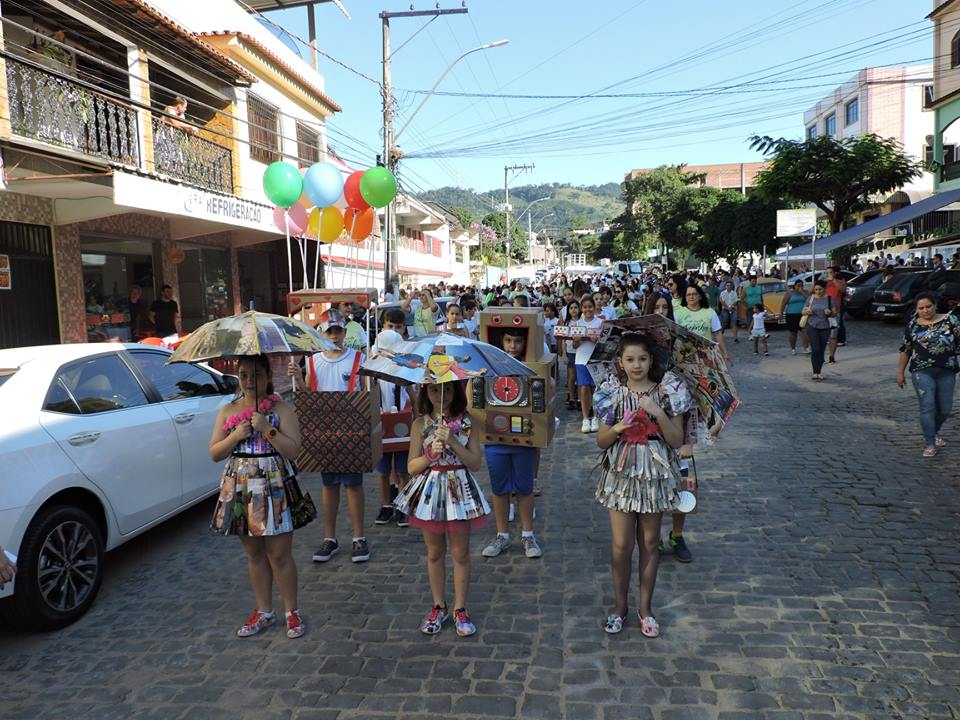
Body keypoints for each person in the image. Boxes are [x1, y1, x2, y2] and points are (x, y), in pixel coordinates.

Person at [209, 355, 317, 639]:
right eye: (243, 375)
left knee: (279, 554)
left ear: (267, 375)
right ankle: (264, 610)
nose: (248, 381)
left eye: (255, 375)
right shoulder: (228, 410)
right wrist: (234, 437)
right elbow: (215, 453)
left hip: (275, 483)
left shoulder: (280, 407)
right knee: (254, 553)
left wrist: (266, 429)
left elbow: (294, 449)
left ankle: (291, 611)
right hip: (242, 484)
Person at [594, 333, 690, 637]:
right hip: (622, 473)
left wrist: (658, 412)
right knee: (621, 545)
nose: (637, 365)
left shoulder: (666, 391)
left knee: (649, 543)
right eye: (630, 359)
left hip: (655, 474)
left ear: (652, 360)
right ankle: (619, 607)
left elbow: (676, 441)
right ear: (620, 362)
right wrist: (618, 428)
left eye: (643, 359)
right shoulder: (612, 392)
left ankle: (645, 609)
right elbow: (601, 441)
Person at [395, 380, 489, 636]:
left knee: (460, 552)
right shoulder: (419, 424)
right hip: (431, 491)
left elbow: (475, 463)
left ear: (455, 390)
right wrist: (430, 455)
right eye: (434, 389)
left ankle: (461, 608)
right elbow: (411, 467)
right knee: (435, 551)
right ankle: (439, 604)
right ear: (426, 391)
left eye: (446, 389)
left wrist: (454, 442)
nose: (440, 395)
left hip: (459, 491)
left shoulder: (468, 422)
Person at [290, 309, 371, 563]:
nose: (334, 336)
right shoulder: (313, 361)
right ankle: (330, 537)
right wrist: (298, 382)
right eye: (329, 331)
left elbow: (366, 394)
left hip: (352, 429)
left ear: (345, 332)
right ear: (322, 333)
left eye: (338, 331)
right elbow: (308, 396)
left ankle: (358, 537)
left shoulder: (358, 359)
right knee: (329, 485)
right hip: (324, 430)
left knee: (353, 484)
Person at [480, 328, 544, 559]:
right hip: (495, 438)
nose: (512, 345)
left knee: (524, 488)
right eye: (507, 340)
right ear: (500, 341)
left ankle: (528, 535)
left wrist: (541, 374)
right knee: (499, 489)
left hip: (523, 439)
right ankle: (502, 535)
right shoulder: (488, 366)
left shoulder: (532, 365)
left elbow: (549, 389)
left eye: (517, 341)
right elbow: (472, 398)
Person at [896, 293, 960, 458]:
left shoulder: (950, 321)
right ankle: (930, 442)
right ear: (916, 309)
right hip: (921, 370)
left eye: (928, 307)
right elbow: (905, 349)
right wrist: (900, 373)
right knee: (928, 406)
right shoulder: (913, 326)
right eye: (921, 308)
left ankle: (934, 431)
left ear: (935, 306)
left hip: (947, 370)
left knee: (945, 409)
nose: (925, 311)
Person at [373, 320, 415, 528]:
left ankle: (403, 504)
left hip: (401, 427)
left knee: (401, 470)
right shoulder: (371, 373)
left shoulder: (405, 370)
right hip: (380, 426)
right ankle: (386, 505)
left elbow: (413, 397)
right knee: (382, 470)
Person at [572, 296, 603, 433]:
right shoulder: (577, 324)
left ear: (594, 306)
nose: (588, 309)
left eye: (590, 306)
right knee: (583, 388)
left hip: (596, 359)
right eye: (585, 307)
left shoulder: (600, 322)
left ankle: (596, 417)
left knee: (596, 389)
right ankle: (585, 418)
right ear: (581, 309)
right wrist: (577, 340)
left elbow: (604, 342)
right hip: (581, 359)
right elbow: (574, 345)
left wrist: (596, 339)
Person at [801, 281, 835, 382]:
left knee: (821, 349)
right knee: (815, 349)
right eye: (816, 289)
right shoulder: (810, 298)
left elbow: (835, 313)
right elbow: (803, 311)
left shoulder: (829, 299)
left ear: (824, 289)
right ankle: (815, 372)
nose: (818, 291)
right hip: (812, 326)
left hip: (825, 327)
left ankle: (818, 371)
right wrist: (807, 311)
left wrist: (830, 312)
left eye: (820, 289)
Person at [780, 279, 809, 355]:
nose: (800, 287)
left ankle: (806, 348)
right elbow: (783, 304)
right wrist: (781, 314)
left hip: (803, 314)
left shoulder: (805, 292)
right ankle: (793, 348)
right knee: (793, 332)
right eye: (798, 285)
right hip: (791, 314)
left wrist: (802, 292)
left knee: (804, 331)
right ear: (794, 286)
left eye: (802, 285)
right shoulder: (789, 293)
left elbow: (809, 300)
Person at [563, 300, 582, 411]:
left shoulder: (582, 321)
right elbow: (563, 340)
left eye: (575, 307)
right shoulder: (566, 323)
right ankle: (571, 398)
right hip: (570, 352)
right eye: (571, 308)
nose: (573, 310)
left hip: (580, 352)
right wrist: (564, 354)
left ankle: (580, 399)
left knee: (580, 378)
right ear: (568, 310)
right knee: (571, 377)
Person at [824, 266, 847, 359]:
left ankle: (831, 356)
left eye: (830, 272)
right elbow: (812, 292)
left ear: (834, 273)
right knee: (822, 335)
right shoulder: (823, 283)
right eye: (827, 273)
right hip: (822, 312)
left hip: (834, 312)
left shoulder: (839, 281)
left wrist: (833, 279)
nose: (828, 274)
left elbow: (842, 289)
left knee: (833, 335)